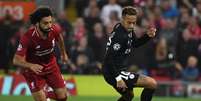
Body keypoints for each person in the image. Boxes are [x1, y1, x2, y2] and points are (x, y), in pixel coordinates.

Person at [102, 6, 157, 101]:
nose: (131, 26)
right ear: (122, 19)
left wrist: (147, 36)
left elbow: (135, 44)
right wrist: (118, 78)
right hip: (113, 72)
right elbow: (109, 58)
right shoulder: (120, 36)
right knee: (151, 83)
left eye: (134, 22)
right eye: (129, 22)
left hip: (116, 70)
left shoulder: (126, 29)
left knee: (128, 96)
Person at [13, 7, 68, 101]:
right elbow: (16, 60)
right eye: (45, 23)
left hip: (51, 66)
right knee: (41, 100)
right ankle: (43, 95)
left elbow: (60, 39)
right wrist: (30, 65)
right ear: (37, 23)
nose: (49, 25)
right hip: (34, 71)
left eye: (50, 22)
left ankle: (45, 93)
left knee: (63, 97)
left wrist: (64, 54)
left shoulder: (54, 29)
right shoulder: (27, 37)